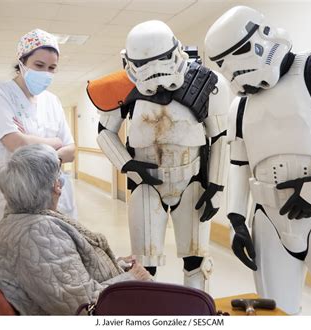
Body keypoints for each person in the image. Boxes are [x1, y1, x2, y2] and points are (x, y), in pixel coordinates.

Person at [205, 6, 311, 315]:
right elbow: (238, 163)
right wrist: (236, 218)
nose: (235, 69)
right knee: (275, 314)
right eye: (223, 64)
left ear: (263, 35)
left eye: (241, 52)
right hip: (268, 221)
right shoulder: (240, 106)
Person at [87, 21, 230, 292]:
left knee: (196, 260)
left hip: (192, 182)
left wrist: (217, 187)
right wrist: (128, 165)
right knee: (144, 265)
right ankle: (149, 313)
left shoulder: (208, 84)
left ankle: (194, 312)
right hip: (146, 185)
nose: (154, 72)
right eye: (144, 64)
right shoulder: (123, 87)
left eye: (160, 60)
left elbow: (220, 137)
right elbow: (105, 132)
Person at [0, 144, 152, 315]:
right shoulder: (38, 235)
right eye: (58, 173)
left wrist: (117, 265)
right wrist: (132, 278)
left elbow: (65, 273)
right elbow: (83, 306)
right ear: (56, 186)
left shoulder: (22, 218)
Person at [0, 28, 76, 235]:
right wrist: (54, 143)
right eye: (39, 65)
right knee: (18, 257)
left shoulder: (53, 101)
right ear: (22, 62)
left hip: (53, 197)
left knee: (55, 257)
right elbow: (16, 143)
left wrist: (36, 146)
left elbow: (71, 151)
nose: (46, 73)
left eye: (52, 68)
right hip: (14, 198)